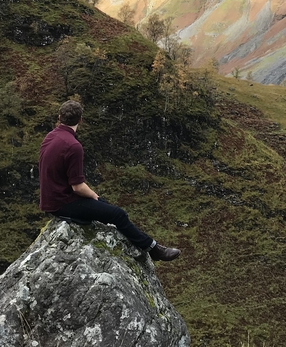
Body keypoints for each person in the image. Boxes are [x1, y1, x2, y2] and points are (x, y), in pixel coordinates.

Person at [39, 100, 181, 261]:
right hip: (63, 203)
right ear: (80, 120)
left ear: (60, 117)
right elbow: (77, 187)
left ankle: (145, 246)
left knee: (106, 207)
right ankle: (153, 249)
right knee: (118, 214)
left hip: (51, 199)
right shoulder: (73, 146)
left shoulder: (51, 136)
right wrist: (93, 195)